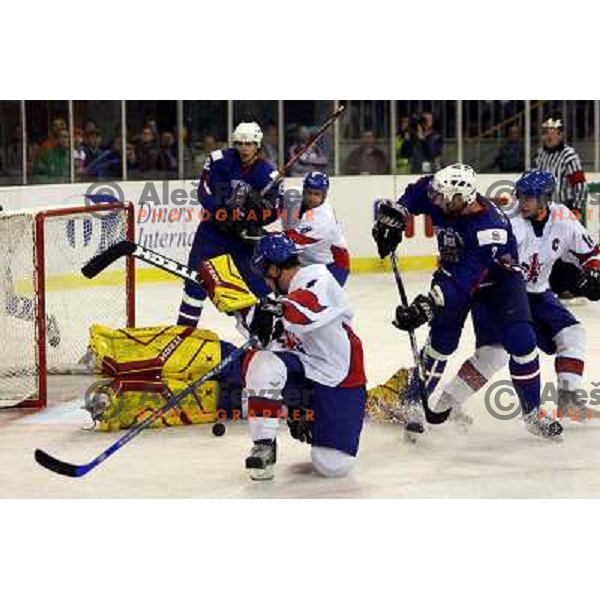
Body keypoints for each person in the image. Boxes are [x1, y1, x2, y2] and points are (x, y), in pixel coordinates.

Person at [371, 163, 563, 439]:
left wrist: (428, 304)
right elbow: (420, 190)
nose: (435, 202)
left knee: (522, 341)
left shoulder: (489, 228)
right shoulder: (447, 194)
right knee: (441, 344)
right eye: (436, 196)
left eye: (441, 199)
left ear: (462, 199)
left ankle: (533, 413)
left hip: (498, 283)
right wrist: (399, 213)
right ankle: (413, 400)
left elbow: (466, 280)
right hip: (453, 273)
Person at [435, 170, 600, 423]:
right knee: (493, 354)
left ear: (545, 199)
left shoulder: (563, 218)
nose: (523, 202)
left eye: (530, 198)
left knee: (573, 333)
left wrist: (594, 273)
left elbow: (590, 252)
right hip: (500, 292)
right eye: (521, 196)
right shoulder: (508, 221)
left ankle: (569, 402)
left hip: (538, 293)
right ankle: (445, 405)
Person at [242, 232, 367, 480]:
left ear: (275, 270)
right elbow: (269, 341)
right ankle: (264, 445)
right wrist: (245, 314)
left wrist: (275, 311)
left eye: (266, 276)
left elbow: (304, 310)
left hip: (339, 376)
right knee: (262, 363)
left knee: (332, 466)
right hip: (305, 367)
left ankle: (313, 411)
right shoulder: (282, 298)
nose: (266, 284)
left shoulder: (318, 277)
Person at [177, 122, 283, 326]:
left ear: (257, 146)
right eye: (240, 143)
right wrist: (221, 212)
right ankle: (184, 332)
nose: (244, 147)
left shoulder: (267, 174)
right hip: (212, 232)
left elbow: (275, 210)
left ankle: (273, 329)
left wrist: (257, 213)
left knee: (257, 283)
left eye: (249, 143)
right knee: (194, 280)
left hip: (242, 237)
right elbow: (204, 190)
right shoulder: (220, 160)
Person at [534, 113, 589, 301]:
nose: (549, 136)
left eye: (553, 132)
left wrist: (577, 208)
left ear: (560, 134)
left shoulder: (569, 155)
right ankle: (557, 286)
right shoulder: (541, 155)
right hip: (545, 209)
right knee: (549, 246)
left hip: (565, 207)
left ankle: (575, 287)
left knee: (568, 248)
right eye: (546, 132)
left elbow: (580, 184)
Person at [284, 171, 350, 286]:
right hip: (307, 263)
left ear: (324, 195)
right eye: (309, 193)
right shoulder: (294, 196)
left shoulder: (322, 218)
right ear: (304, 190)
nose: (311, 198)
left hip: (332, 267)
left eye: (316, 194)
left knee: (317, 301)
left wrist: (263, 236)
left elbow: (291, 242)